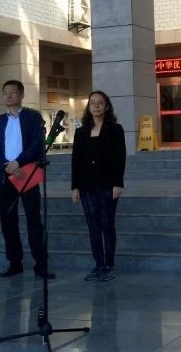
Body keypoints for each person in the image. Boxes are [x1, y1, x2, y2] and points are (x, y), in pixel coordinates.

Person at [0, 80, 54, 279]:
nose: (9, 96)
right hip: (4, 176)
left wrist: (18, 162)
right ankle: (14, 263)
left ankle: (41, 265)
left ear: (22, 95)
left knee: (34, 220)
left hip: (26, 174)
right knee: (7, 220)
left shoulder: (33, 117)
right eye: (5, 93)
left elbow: (37, 144)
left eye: (13, 92)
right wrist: (6, 166)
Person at [71, 91, 126, 282]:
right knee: (93, 227)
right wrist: (75, 187)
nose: (95, 106)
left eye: (100, 103)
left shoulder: (115, 130)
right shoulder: (81, 132)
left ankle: (109, 265)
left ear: (107, 106)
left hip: (108, 185)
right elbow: (76, 161)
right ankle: (98, 265)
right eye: (92, 103)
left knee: (107, 225)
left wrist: (118, 183)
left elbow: (120, 158)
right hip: (86, 186)